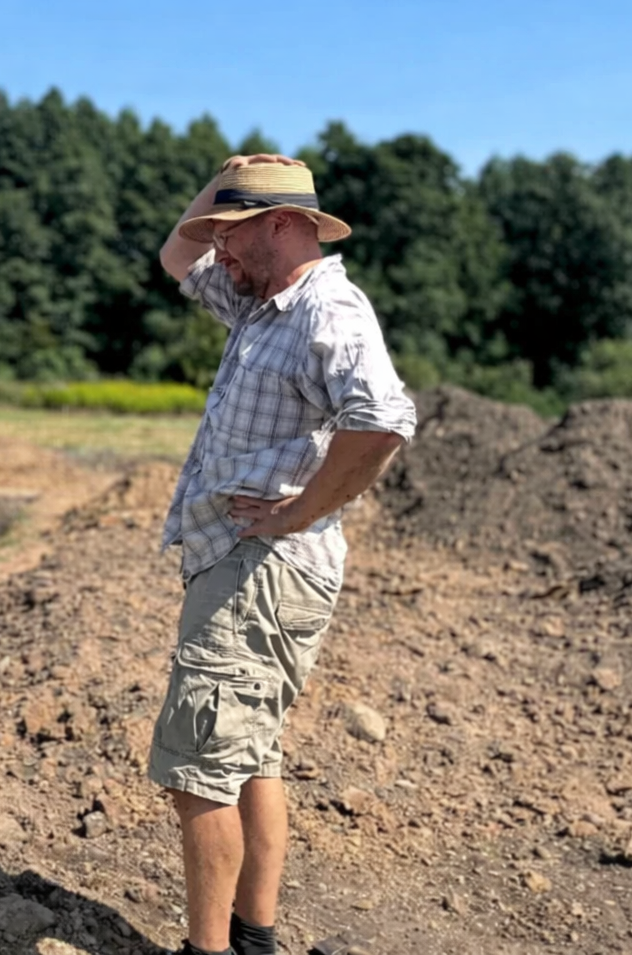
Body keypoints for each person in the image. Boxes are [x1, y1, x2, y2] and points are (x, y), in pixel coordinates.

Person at [150, 154, 417, 955]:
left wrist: (301, 511)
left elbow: (383, 420)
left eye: (231, 233)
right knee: (249, 756)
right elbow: (176, 254)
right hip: (240, 565)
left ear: (282, 225)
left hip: (259, 572)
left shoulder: (325, 310)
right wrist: (223, 178)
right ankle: (253, 939)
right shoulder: (257, 304)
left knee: (200, 770)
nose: (218, 249)